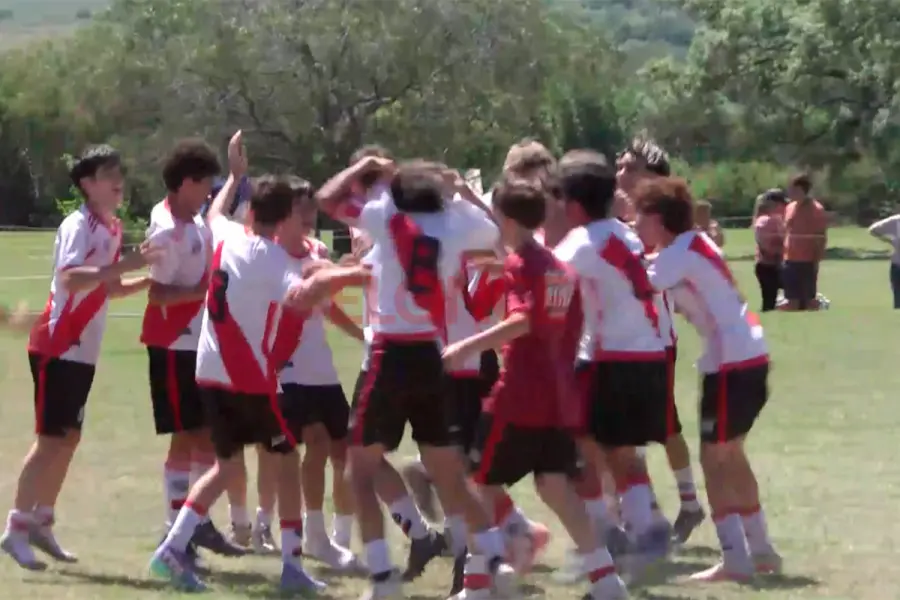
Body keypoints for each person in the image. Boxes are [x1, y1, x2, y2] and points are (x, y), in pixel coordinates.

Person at [149, 132, 363, 593]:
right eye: (298, 218)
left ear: (250, 212)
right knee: (284, 460)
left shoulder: (226, 236)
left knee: (227, 467)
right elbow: (305, 291)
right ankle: (291, 565)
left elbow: (213, 212)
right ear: (285, 218)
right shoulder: (272, 260)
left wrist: (235, 177)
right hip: (244, 378)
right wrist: (358, 272)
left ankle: (172, 547)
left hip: (208, 370)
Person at [318, 158, 513, 600]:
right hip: (431, 354)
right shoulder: (457, 223)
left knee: (358, 468)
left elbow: (327, 198)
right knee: (449, 474)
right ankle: (494, 556)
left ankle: (384, 577)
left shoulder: (386, 215)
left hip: (389, 353)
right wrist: (459, 191)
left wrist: (366, 166)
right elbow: (498, 233)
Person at [442, 176, 627, 600]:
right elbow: (562, 317)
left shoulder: (522, 265)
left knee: (477, 487)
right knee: (555, 487)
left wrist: (464, 346)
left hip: (518, 397)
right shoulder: (557, 266)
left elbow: (524, 319)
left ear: (503, 218)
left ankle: (477, 587)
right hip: (556, 399)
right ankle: (607, 582)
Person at [2, 145, 160, 570]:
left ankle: (41, 521)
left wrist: (144, 279)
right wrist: (127, 262)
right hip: (58, 344)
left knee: (69, 438)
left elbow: (104, 286)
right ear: (87, 184)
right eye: (108, 173)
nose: (118, 180)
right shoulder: (79, 224)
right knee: (51, 438)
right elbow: (71, 278)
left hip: (82, 350)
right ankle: (15, 529)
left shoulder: (108, 227)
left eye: (118, 171)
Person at [633, 176, 782, 582]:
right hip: (748, 354)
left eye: (640, 217)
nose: (635, 225)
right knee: (731, 455)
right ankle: (762, 549)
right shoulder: (692, 243)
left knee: (714, 460)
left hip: (730, 363)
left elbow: (638, 282)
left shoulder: (677, 253)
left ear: (658, 219)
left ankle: (735, 557)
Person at [554, 149, 672, 566]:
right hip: (646, 352)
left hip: (611, 358)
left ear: (569, 203)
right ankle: (643, 526)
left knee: (581, 444)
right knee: (618, 448)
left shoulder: (580, 244)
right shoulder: (623, 233)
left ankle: (609, 530)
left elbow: (543, 283)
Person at [141, 139, 249, 564]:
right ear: (186, 183)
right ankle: (174, 530)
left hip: (197, 344)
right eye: (205, 184)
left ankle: (195, 522)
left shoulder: (194, 217)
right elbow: (157, 293)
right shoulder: (167, 229)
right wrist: (201, 291)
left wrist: (237, 179)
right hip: (172, 345)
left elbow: (215, 211)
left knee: (205, 432)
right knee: (185, 436)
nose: (209, 192)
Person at [274, 177, 363, 570]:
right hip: (288, 369)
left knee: (344, 452)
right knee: (315, 445)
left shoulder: (318, 251)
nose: (309, 218)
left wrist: (364, 335)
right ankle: (313, 533)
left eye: (312, 209)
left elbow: (326, 306)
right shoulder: (269, 256)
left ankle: (339, 539)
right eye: (300, 210)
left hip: (322, 368)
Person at [783, 173, 827, 311]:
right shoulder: (789, 207)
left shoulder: (816, 209)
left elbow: (821, 236)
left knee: (809, 300)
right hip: (790, 258)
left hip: (807, 260)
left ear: (804, 190)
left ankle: (820, 307)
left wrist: (817, 258)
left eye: (795, 190)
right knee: (792, 300)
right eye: (790, 189)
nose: (791, 193)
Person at [753, 189, 787, 312]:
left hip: (775, 265)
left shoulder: (777, 220)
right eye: (782, 204)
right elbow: (765, 245)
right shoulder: (765, 221)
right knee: (769, 302)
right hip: (767, 266)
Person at [867, 210, 900, 308]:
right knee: (897, 295)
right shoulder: (896, 220)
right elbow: (873, 230)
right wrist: (890, 240)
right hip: (897, 263)